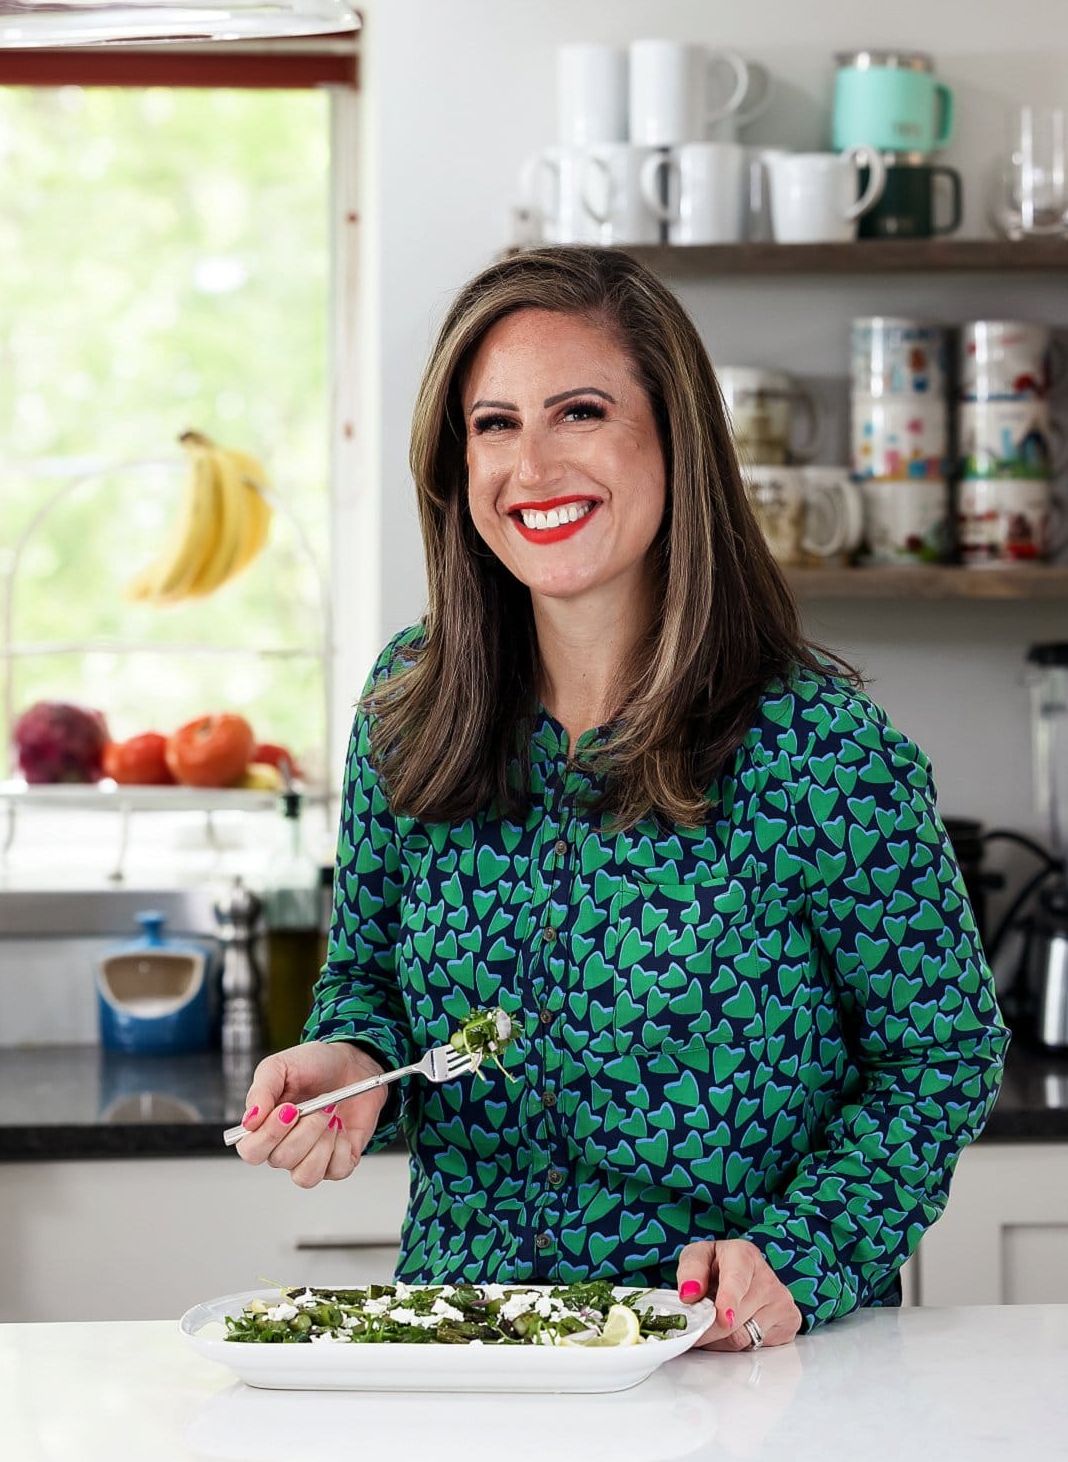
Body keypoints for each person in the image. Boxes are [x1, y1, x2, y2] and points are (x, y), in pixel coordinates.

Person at [238, 246, 1008, 1351]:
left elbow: (943, 1053)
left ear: (674, 437)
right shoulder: (411, 703)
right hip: (473, 1349)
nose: (532, 464)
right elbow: (368, 978)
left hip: (729, 1365)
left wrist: (800, 1254)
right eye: (493, 423)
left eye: (581, 411)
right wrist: (351, 1060)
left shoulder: (820, 749)